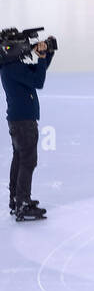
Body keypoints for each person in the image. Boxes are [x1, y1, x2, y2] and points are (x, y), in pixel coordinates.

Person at [1, 34, 55, 221]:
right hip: (24, 122)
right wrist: (40, 57)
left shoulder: (10, 67)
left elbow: (35, 73)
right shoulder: (14, 68)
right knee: (27, 161)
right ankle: (22, 204)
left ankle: (16, 200)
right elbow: (38, 81)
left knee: (19, 159)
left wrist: (46, 54)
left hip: (18, 121)